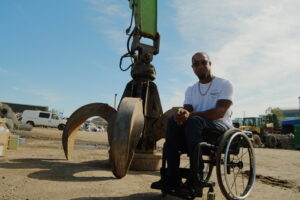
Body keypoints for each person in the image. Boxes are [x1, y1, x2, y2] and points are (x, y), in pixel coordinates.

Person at [152, 52, 233, 197]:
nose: (200, 66)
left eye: (203, 62)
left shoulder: (224, 84)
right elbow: (188, 109)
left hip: (220, 127)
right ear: (193, 68)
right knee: (172, 120)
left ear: (210, 63)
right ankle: (172, 178)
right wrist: (181, 113)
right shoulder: (191, 89)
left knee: (194, 120)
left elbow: (219, 112)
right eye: (196, 64)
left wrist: (192, 115)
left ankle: (195, 180)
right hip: (196, 128)